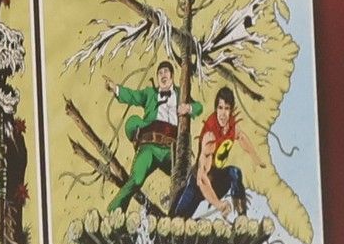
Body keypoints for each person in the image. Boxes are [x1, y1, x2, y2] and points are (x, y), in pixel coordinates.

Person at [106, 60, 200, 212]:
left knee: (188, 180)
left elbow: (199, 108)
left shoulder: (181, 94)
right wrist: (115, 88)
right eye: (160, 73)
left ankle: (184, 216)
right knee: (136, 179)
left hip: (172, 151)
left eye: (166, 72)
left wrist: (188, 108)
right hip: (150, 147)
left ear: (172, 75)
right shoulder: (150, 93)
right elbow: (133, 96)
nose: (163, 75)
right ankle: (114, 211)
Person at [171, 86, 261, 219]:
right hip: (198, 187)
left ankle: (242, 217)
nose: (223, 114)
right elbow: (202, 180)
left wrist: (256, 158)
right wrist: (219, 205)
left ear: (231, 110)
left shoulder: (231, 126)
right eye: (220, 108)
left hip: (217, 182)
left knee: (235, 172)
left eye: (226, 108)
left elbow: (241, 137)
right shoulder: (210, 137)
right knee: (177, 219)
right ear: (216, 109)